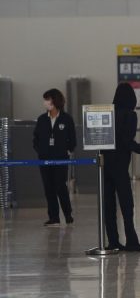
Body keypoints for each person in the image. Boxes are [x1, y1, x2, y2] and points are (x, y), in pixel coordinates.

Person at [103, 82, 140, 252]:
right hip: (120, 164)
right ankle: (131, 241)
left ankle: (113, 241)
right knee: (127, 204)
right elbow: (127, 142)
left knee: (109, 204)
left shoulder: (109, 113)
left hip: (105, 163)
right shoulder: (130, 115)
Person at [33, 89, 76, 227]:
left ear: (55, 101)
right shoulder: (41, 119)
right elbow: (36, 139)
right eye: (45, 99)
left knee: (60, 186)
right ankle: (53, 217)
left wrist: (68, 150)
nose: (45, 102)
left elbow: (73, 139)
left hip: (61, 158)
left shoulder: (66, 119)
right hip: (45, 159)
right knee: (48, 187)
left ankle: (68, 214)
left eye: (48, 99)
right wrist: (40, 151)